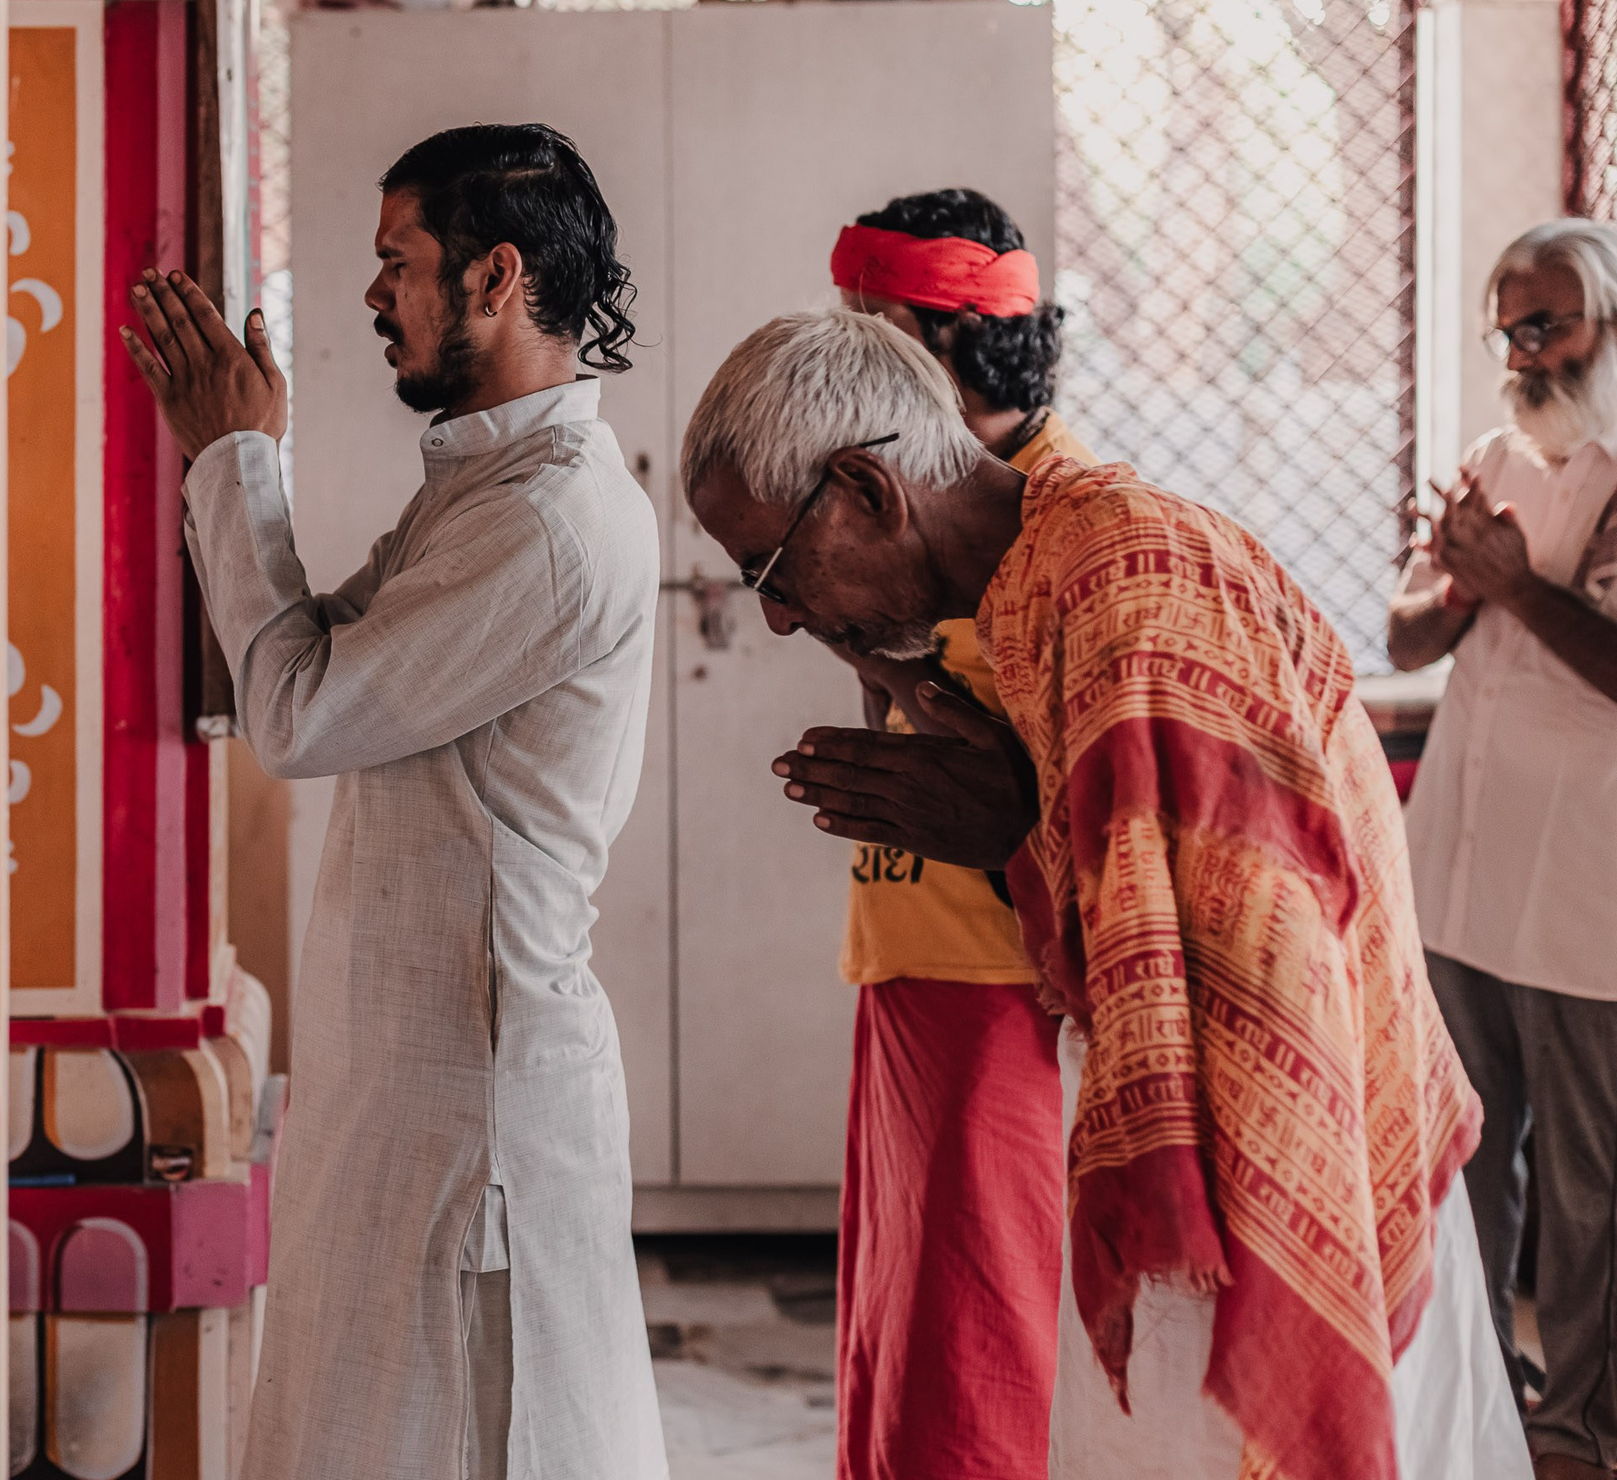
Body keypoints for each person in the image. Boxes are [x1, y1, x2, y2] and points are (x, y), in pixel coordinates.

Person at [682, 307, 1526, 1480]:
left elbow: (1253, 954)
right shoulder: (1040, 580)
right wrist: (996, 801)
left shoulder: (1130, 576)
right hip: (1204, 1178)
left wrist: (1005, 828)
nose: (774, 615)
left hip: (1278, 1190)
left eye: (770, 569)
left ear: (869, 491)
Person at [120, 123, 667, 1480]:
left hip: (471, 1098)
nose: (374, 295)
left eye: (394, 262)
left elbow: (301, 709)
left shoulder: (541, 519)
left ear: (491, 277)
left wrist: (237, 459)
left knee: (471, 1428)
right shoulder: (488, 486)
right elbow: (304, 649)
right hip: (414, 1070)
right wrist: (230, 464)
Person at [822, 192, 1087, 1480]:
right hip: (908, 961)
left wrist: (892, 665)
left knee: (979, 1355)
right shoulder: (915, 494)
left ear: (945, 347)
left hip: (1008, 990)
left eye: (867, 343)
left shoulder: (1060, 519)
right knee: (894, 1341)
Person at [1390, 219, 1617, 1480]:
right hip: (1460, 878)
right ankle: (1478, 1395)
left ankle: (1581, 1429)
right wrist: (1465, 586)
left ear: (1609, 324)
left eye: (1551, 323)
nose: (1524, 352)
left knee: (1589, 1195)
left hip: (1585, 895)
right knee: (1460, 1157)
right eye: (1507, 326)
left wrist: (1519, 584)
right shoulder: (1490, 454)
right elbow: (1408, 635)